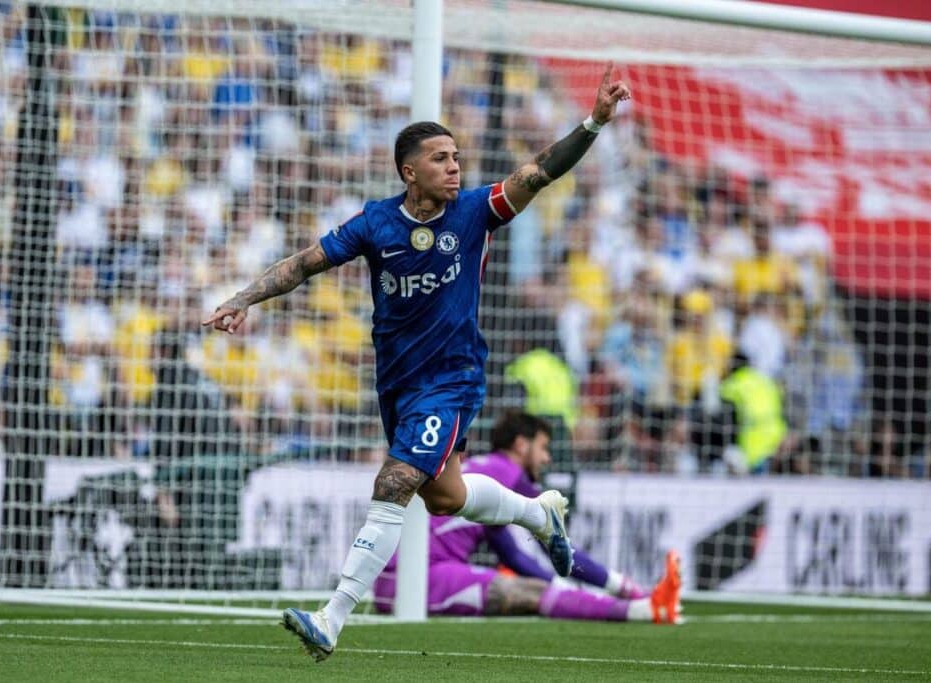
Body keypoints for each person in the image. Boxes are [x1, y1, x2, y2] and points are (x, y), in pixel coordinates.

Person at [203, 63, 631, 662]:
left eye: (456, 156)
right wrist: (241, 299)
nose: (454, 166)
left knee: (396, 481)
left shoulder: (476, 211)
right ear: (410, 171)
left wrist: (592, 123)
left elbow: (539, 172)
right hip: (398, 384)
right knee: (445, 498)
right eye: (440, 158)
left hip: (451, 379)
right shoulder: (377, 223)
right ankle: (538, 515)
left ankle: (332, 616)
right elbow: (304, 265)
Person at [373, 411, 682, 623]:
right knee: (527, 591)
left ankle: (640, 606)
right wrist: (623, 586)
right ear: (521, 445)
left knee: (529, 583)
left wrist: (568, 591)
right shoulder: (509, 473)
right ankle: (642, 609)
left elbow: (517, 557)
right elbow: (557, 546)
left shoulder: (487, 474)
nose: (547, 458)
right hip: (418, 581)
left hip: (399, 580)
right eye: (544, 447)